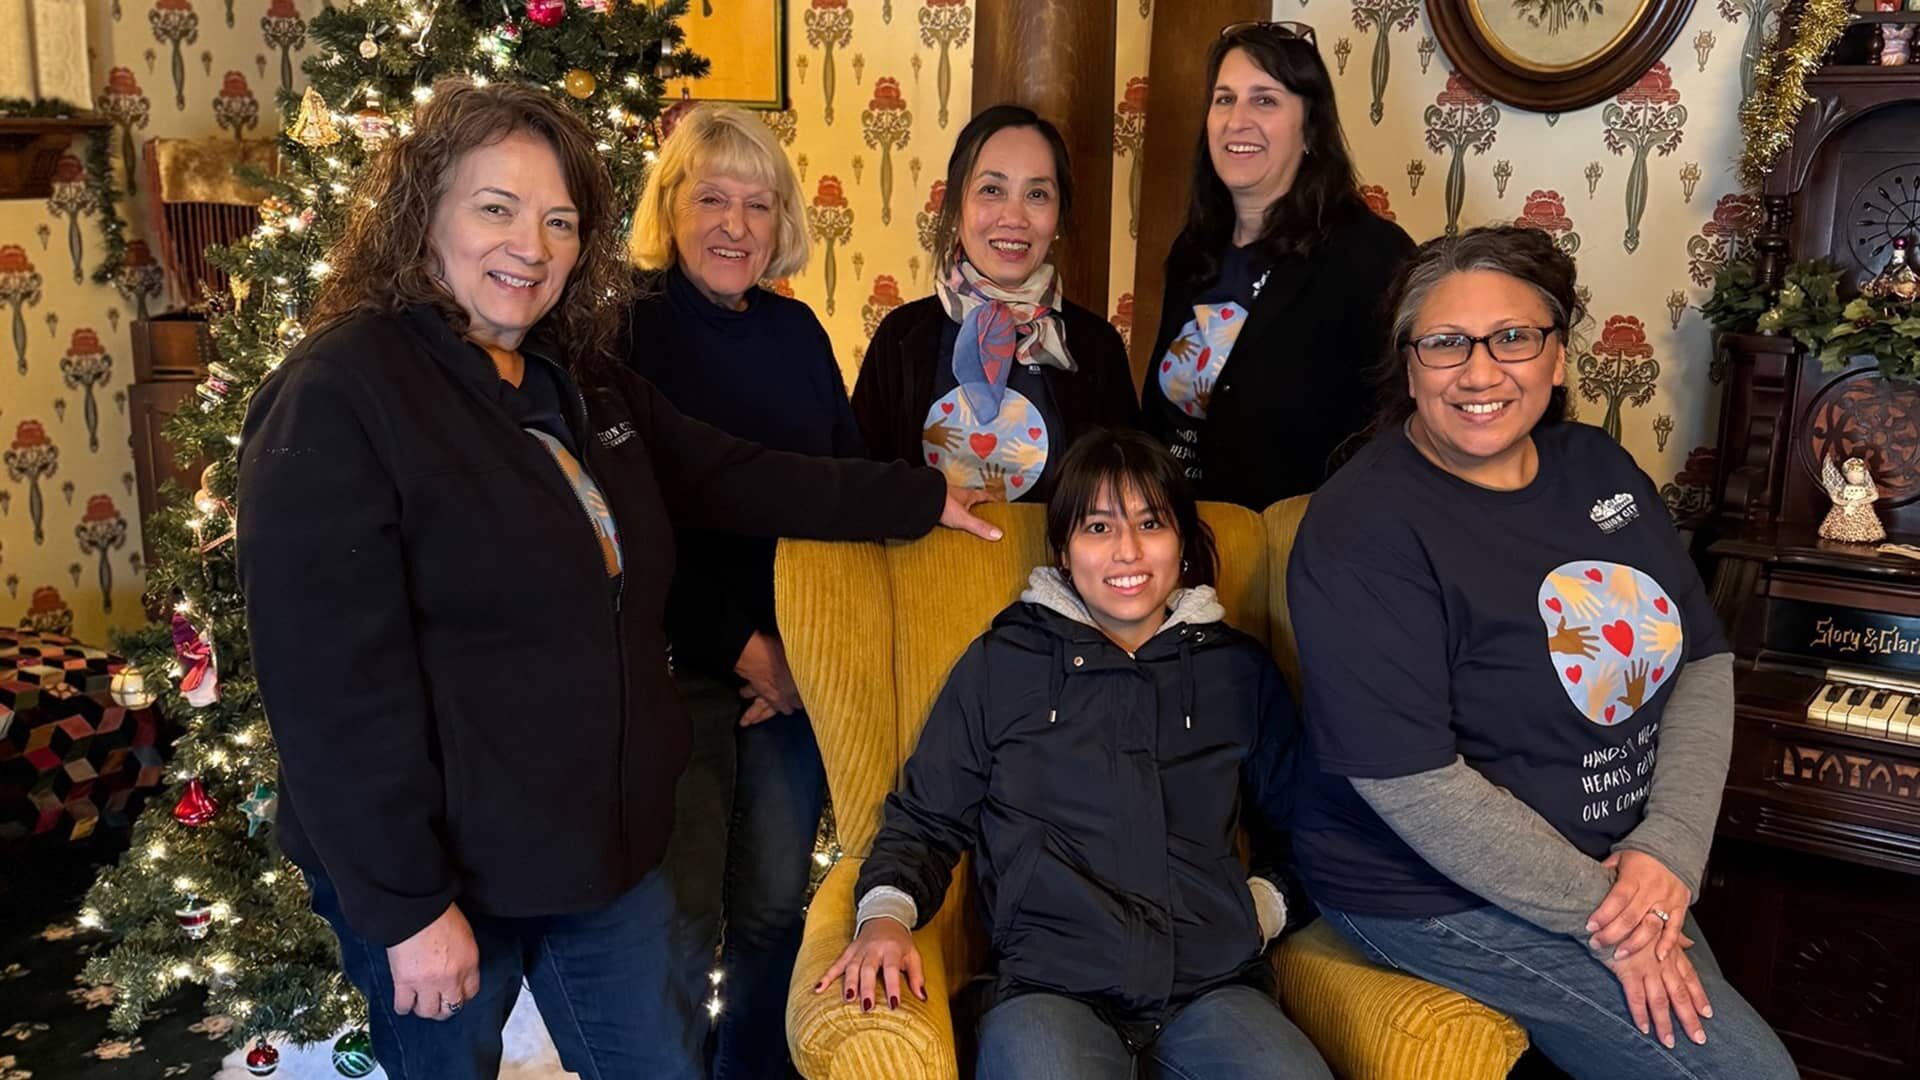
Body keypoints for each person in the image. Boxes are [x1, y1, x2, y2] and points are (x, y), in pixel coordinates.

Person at [236, 78, 999, 1080]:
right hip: (445, 873)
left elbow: (734, 472)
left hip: (600, 857)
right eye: (496, 209)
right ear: (425, 212)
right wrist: (409, 909)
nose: (531, 246)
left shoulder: (578, 379)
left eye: (558, 221)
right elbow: (328, 691)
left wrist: (916, 497)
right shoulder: (342, 390)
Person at [1285, 226, 1797, 1079]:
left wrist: (1669, 849)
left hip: (1623, 863)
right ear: (1409, 367)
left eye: (1514, 337)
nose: (1480, 372)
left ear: (1558, 357)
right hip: (1427, 890)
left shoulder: (1598, 466)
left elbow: (1701, 661)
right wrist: (1616, 916)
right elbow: (1411, 784)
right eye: (1446, 343)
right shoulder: (1361, 529)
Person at [814, 428, 1333, 1080]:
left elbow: (1308, 831)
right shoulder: (1003, 664)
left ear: (1181, 543)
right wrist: (884, 919)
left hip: (1213, 986)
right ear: (1064, 549)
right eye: (1098, 526)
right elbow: (926, 821)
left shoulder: (1237, 671)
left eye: (1151, 523)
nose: (1128, 550)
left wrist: (1256, 913)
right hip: (1049, 988)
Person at [624, 102, 854, 1078]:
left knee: (769, 914)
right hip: (681, 670)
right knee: (676, 923)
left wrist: (804, 658)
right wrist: (745, 650)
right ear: (670, 206)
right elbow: (633, 527)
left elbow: (841, 492)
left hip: (795, 674)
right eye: (712, 198)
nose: (734, 225)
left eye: (758, 205)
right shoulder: (628, 329)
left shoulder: (798, 333)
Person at [1142, 21, 1413, 510]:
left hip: (1305, 537)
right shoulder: (1193, 250)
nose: (1237, 120)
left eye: (1264, 100)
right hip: (1181, 529)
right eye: (1225, 99)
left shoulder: (1371, 254)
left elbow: (1401, 426)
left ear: (1310, 128)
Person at [852, 104, 1139, 504]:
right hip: (923, 548)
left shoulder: (1095, 346)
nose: (1014, 217)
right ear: (957, 206)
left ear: (1058, 218)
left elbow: (1126, 495)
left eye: (1037, 194)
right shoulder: (901, 337)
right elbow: (863, 485)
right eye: (992, 190)